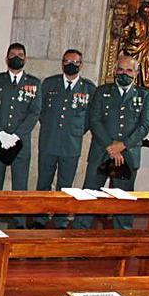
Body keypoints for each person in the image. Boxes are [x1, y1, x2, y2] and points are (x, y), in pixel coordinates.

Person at [73, 53, 149, 229]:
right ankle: (78, 235)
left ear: (136, 73)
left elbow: (144, 126)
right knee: (89, 196)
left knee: (123, 201)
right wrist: (111, 146)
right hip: (101, 152)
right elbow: (95, 121)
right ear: (115, 70)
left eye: (129, 70)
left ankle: (121, 240)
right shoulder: (102, 91)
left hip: (127, 155)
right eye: (121, 69)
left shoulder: (144, 95)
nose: (124, 73)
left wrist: (121, 146)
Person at [0, 43, 41, 230]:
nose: (16, 57)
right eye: (12, 54)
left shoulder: (34, 83)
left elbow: (34, 112)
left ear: (25, 58)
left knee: (20, 183)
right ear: (6, 58)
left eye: (20, 54)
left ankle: (19, 220)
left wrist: (16, 136)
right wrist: (0, 133)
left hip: (20, 142)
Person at [34, 49, 96, 228]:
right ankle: (40, 217)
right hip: (49, 141)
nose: (71, 64)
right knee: (44, 182)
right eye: (67, 61)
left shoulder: (88, 88)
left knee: (66, 184)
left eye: (75, 62)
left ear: (81, 65)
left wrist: (75, 131)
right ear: (62, 63)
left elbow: (89, 118)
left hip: (71, 144)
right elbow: (40, 110)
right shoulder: (49, 84)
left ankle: (61, 219)